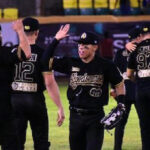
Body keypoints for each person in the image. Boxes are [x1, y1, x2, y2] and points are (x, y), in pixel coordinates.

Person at [41, 26, 126, 150]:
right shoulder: (71, 62)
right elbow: (44, 61)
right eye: (79, 45)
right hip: (75, 117)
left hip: (95, 118)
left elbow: (119, 84)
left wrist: (121, 104)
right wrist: (56, 40)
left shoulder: (106, 65)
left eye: (85, 46)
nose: (81, 48)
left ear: (95, 47)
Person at [10, 17, 65, 150]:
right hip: (35, 100)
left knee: (15, 143)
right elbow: (50, 83)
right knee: (41, 143)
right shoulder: (43, 54)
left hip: (14, 100)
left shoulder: (11, 51)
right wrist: (60, 107)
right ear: (37, 33)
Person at [0, 20, 31, 150]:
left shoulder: (5, 53)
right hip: (4, 113)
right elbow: (26, 53)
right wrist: (20, 31)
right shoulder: (4, 53)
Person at [110, 27, 141, 150]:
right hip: (139, 89)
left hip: (123, 91)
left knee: (120, 124)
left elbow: (114, 73)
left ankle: (117, 148)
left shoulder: (119, 53)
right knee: (145, 122)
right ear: (139, 37)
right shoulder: (143, 51)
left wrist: (113, 89)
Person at [127, 26, 150, 150]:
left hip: (141, 90)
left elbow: (129, 74)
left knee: (145, 124)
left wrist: (138, 80)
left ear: (140, 36)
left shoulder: (135, 49)